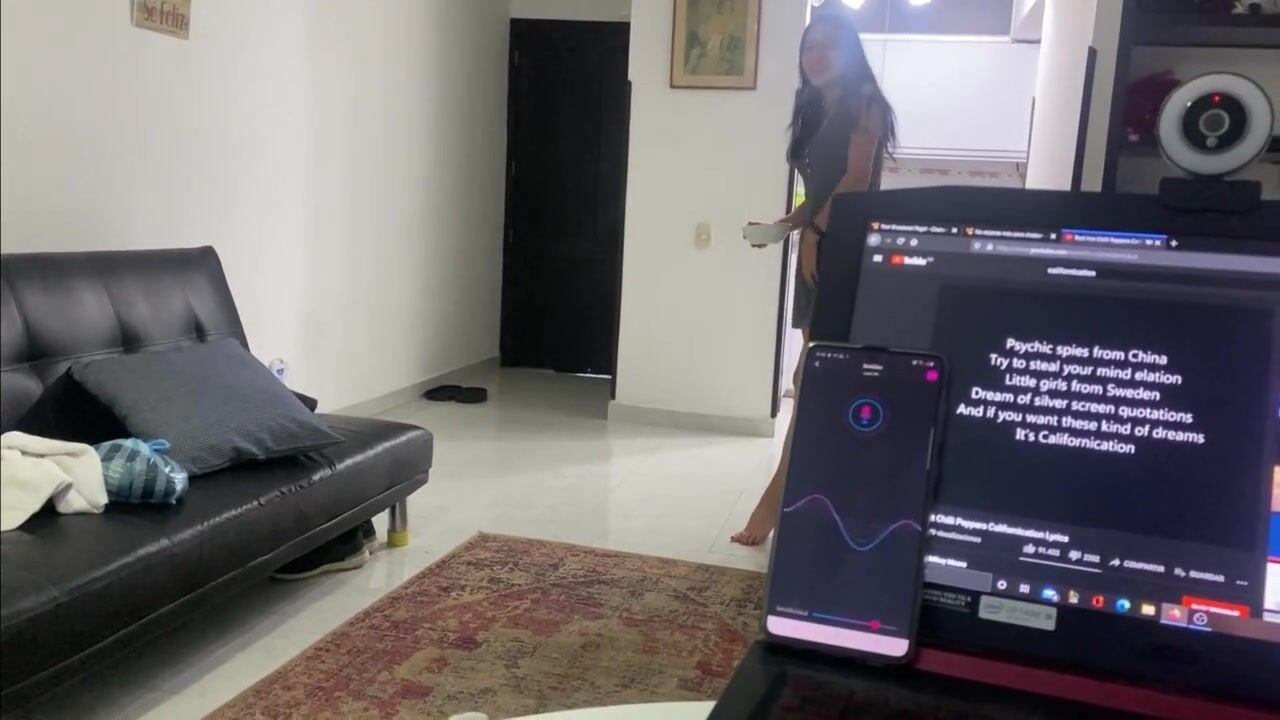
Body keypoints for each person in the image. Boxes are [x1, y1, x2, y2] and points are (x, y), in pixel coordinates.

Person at [732, 11, 895, 546]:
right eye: (809, 47)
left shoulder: (865, 103)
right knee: (818, 380)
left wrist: (817, 234)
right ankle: (812, 500)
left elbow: (854, 182)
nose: (817, 56)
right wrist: (785, 226)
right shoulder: (812, 109)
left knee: (814, 381)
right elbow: (819, 191)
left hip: (844, 251)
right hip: (819, 246)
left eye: (828, 46)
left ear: (850, 52)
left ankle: (775, 505)